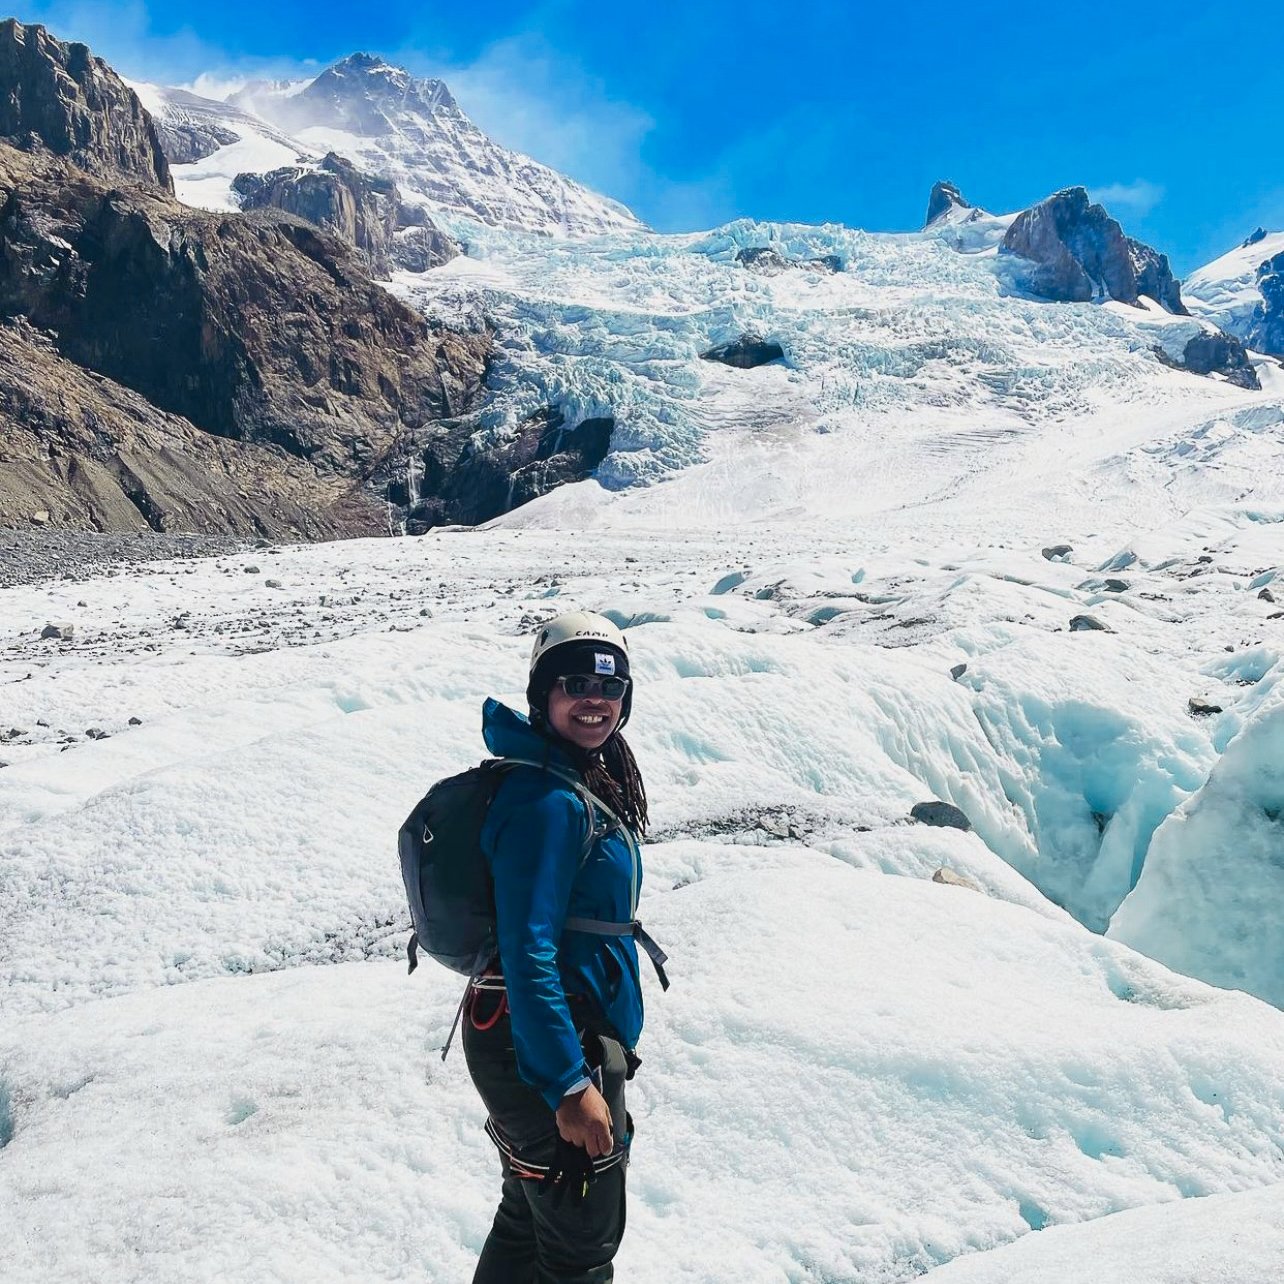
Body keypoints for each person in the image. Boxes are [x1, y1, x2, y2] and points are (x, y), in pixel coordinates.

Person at [463, 611, 665, 1284]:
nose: (595, 701)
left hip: (538, 1035)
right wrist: (569, 1084)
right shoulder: (549, 800)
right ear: (542, 694)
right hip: (548, 1045)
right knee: (580, 1249)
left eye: (611, 687)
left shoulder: (572, 781)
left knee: (529, 1220)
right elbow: (530, 952)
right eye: (575, 683)